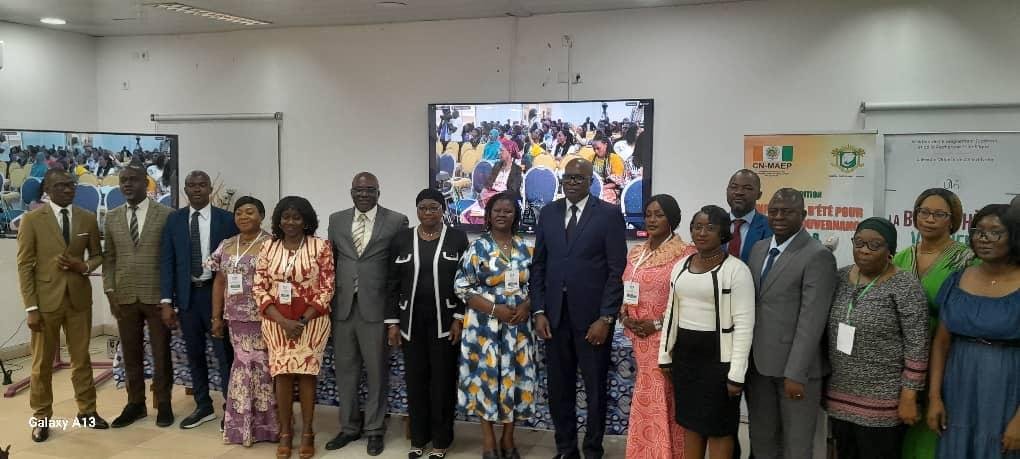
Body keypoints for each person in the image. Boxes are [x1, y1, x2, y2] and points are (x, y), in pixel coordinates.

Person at [531, 158, 627, 459]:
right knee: (560, 389)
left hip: (593, 321)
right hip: (555, 319)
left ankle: (593, 449)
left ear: (590, 181)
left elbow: (616, 270)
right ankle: (566, 448)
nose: (572, 182)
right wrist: (539, 311)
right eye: (568, 177)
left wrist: (606, 317)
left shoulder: (609, 215)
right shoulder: (548, 213)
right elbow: (539, 266)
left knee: (595, 389)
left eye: (579, 178)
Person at [825, 217, 930, 458]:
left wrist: (910, 394)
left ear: (890, 251)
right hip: (840, 396)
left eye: (875, 245)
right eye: (859, 242)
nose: (864, 249)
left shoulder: (904, 285)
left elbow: (918, 344)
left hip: (884, 402)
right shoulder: (839, 278)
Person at [17, 169, 108, 442]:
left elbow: (98, 255)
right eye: (62, 186)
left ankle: (87, 411)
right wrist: (30, 308)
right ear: (48, 188)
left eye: (71, 185)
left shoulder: (87, 218)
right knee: (41, 364)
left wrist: (85, 266)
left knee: (82, 359)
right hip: (45, 303)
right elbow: (24, 266)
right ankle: (41, 418)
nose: (68, 190)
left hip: (79, 300)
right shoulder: (32, 220)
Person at [746, 188, 838, 459]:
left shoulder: (817, 255)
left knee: (796, 447)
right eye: (773, 211)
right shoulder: (759, 248)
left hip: (796, 372)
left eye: (787, 211)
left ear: (804, 215)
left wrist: (795, 373)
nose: (779, 216)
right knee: (762, 441)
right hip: (758, 366)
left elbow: (813, 320)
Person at [658, 205, 755, 459]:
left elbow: (745, 324)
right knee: (691, 424)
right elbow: (670, 312)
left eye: (710, 228)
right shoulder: (681, 266)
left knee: (719, 428)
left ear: (724, 233)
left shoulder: (736, 270)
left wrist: (736, 373)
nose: (702, 233)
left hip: (719, 360)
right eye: (697, 227)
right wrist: (665, 354)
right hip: (686, 359)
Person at [325, 172, 409, 456]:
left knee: (376, 373)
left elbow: (398, 270)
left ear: (378, 192)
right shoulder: (336, 220)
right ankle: (349, 428)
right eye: (358, 190)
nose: (364, 194)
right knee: (345, 372)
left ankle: (374, 429)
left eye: (369, 190)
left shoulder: (397, 221)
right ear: (351, 192)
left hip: (377, 309)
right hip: (343, 308)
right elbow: (331, 263)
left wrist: (394, 314)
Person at [927, 204, 1020, 458]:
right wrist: (934, 397)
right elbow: (941, 343)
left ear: (1015, 236)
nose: (983, 238)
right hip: (959, 385)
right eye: (978, 231)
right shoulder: (957, 280)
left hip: (1007, 386)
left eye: (995, 232)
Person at [386, 189, 470, 458]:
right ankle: (419, 439)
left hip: (445, 323)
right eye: (423, 208)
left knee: (443, 382)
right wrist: (392, 323)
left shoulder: (457, 238)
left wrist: (459, 317)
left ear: (443, 209)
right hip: (411, 322)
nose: (428, 213)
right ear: (417, 210)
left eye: (434, 208)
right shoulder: (401, 239)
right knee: (416, 380)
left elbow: (466, 282)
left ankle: (442, 440)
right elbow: (392, 284)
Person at [455, 192, 537, 459]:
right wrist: (494, 309)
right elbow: (461, 287)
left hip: (519, 326)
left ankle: (508, 437)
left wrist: (526, 305)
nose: (502, 215)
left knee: (517, 379)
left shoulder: (526, 247)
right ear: (488, 215)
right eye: (497, 211)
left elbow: (537, 284)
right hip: (484, 328)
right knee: (486, 380)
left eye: (508, 211)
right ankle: (489, 440)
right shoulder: (477, 247)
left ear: (516, 216)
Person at [892, 188, 973, 459]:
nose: (929, 219)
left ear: (953, 220)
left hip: (947, 358)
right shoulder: (902, 257)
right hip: (902, 361)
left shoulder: (967, 260)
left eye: (939, 214)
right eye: (924, 212)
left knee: (934, 428)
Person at [253, 196, 335, 459]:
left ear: (307, 220)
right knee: (283, 376)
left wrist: (301, 321)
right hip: (277, 322)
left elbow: (326, 288)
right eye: (285, 217)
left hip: (311, 322)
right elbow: (259, 287)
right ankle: (286, 432)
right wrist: (283, 321)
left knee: (308, 375)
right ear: (278, 220)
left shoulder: (320, 247)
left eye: (297, 217)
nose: (290, 222)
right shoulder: (268, 248)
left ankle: (309, 432)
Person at [160, 170, 239, 430]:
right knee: (194, 354)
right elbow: (168, 262)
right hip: (187, 297)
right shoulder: (174, 220)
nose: (196, 189)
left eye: (202, 185)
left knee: (223, 353)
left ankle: (231, 408)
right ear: (185, 189)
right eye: (191, 185)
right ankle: (203, 406)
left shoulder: (227, 220)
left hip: (216, 295)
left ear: (209, 189)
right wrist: (166, 302)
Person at [620, 195, 696, 458]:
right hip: (637, 338)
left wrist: (655, 324)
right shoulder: (637, 252)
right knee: (649, 398)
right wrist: (625, 318)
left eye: (659, 214)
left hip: (666, 339)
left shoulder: (686, 254)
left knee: (661, 400)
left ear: (673, 219)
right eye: (649, 214)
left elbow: (688, 302)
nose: (652, 219)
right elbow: (625, 290)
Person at [103, 164, 175, 429]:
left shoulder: (166, 215)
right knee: (131, 354)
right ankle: (135, 404)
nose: (127, 185)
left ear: (146, 183)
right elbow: (109, 258)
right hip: (124, 296)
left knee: (161, 354)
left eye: (133, 180)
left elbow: (171, 259)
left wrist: (170, 298)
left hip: (156, 296)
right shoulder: (111, 217)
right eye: (123, 180)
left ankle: (164, 403)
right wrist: (110, 291)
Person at [207, 196, 278, 446]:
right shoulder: (226, 245)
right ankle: (240, 427)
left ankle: (267, 428)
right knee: (241, 370)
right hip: (235, 319)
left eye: (250, 212)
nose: (243, 217)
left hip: (266, 318)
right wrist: (216, 316)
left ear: (261, 215)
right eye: (239, 213)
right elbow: (219, 282)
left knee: (264, 371)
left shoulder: (272, 244)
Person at [725, 169, 772, 263]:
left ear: (759, 195)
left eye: (747, 188)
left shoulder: (771, 227)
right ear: (727, 191)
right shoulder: (715, 224)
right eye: (734, 187)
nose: (739, 192)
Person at [590, 135, 625, 205]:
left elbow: (618, 182)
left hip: (610, 188)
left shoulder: (615, 159)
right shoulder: (590, 158)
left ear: (605, 145)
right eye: (594, 149)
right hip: (593, 187)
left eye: (598, 148)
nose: (596, 151)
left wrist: (600, 188)